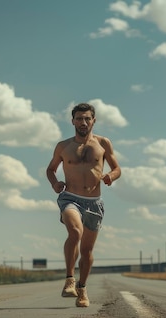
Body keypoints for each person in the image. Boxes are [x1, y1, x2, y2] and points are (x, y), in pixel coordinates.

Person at [46, 103, 121, 307]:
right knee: (75, 232)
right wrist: (55, 183)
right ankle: (70, 279)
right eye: (79, 118)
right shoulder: (63, 146)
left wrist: (110, 177)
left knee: (87, 251)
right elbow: (50, 169)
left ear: (93, 121)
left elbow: (117, 168)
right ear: (73, 121)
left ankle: (82, 288)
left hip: (94, 203)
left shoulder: (103, 143)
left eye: (87, 118)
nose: (83, 122)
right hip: (70, 197)